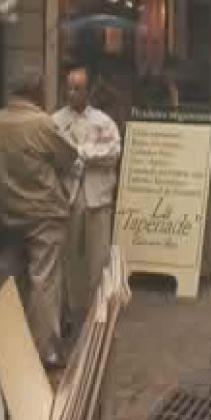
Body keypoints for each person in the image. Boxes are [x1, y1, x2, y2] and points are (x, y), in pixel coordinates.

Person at [0, 70, 79, 366]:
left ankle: (17, 344)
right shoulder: (41, 122)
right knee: (45, 280)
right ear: (36, 90)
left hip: (11, 209)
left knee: (18, 279)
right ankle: (46, 350)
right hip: (44, 211)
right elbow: (69, 155)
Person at [54, 65, 122, 331]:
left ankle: (98, 309)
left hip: (98, 195)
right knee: (70, 255)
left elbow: (114, 151)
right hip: (69, 196)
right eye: (69, 88)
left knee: (98, 255)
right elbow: (54, 154)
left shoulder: (103, 121)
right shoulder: (56, 121)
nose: (72, 93)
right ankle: (73, 307)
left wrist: (83, 153)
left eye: (78, 88)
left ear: (88, 90)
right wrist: (78, 155)